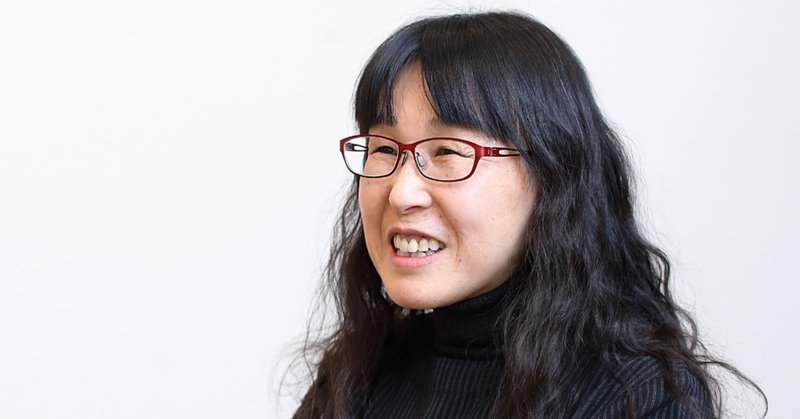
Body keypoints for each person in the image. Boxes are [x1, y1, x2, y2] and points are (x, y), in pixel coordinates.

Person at [292, 11, 764, 419]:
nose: (402, 193)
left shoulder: (636, 397)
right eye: (383, 149)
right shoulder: (360, 375)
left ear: (551, 177)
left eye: (448, 152)